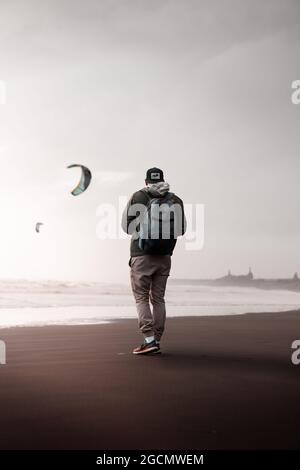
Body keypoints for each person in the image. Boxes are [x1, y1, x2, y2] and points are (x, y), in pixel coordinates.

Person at [122, 167, 186, 355]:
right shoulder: (175, 200)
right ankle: (156, 339)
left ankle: (149, 339)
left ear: (146, 182)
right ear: (163, 181)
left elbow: (126, 227)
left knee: (141, 297)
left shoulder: (138, 196)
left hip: (141, 255)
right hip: (165, 256)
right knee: (158, 298)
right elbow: (181, 229)